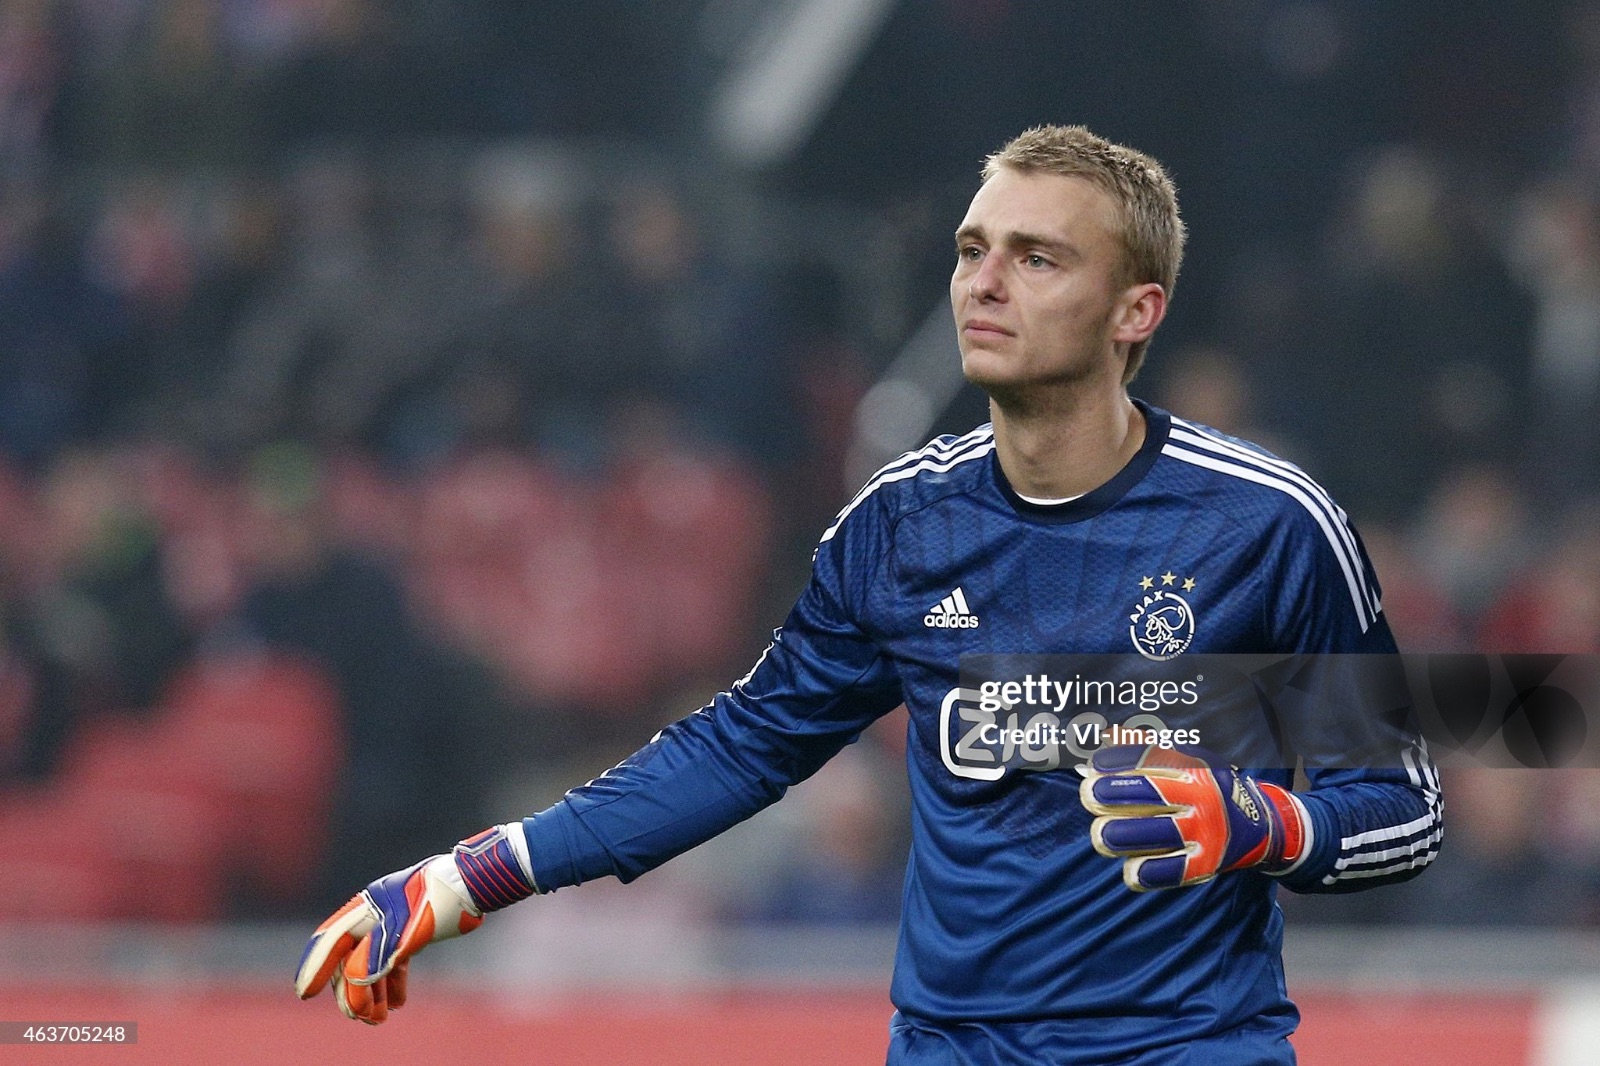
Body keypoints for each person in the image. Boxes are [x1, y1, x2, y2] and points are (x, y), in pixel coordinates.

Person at [295, 126, 1442, 1064]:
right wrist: (469, 874)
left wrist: (1261, 824)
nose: (983, 283)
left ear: (1134, 311)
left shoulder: (1266, 525)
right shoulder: (902, 523)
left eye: (1036, 258)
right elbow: (744, 746)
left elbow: (1405, 807)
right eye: (971, 249)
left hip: (1185, 1049)